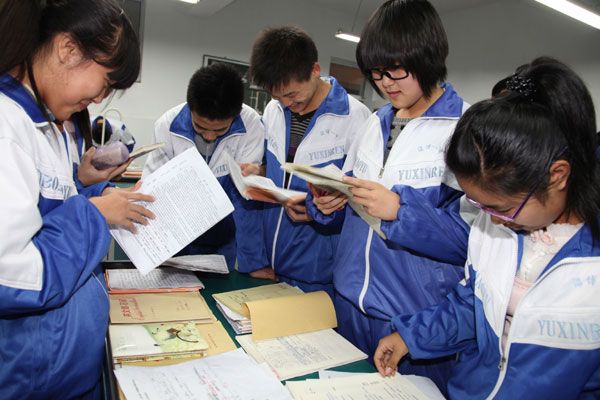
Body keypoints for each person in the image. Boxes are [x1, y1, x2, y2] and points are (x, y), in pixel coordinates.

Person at [375, 57, 600, 399]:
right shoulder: (494, 226)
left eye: (502, 208)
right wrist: (411, 336)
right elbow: (473, 304)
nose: (491, 220)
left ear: (557, 175)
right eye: (479, 204)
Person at [307, 0, 471, 392]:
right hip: (349, 304)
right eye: (376, 72)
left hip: (412, 323)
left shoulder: (466, 129)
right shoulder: (374, 123)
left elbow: (470, 240)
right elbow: (353, 197)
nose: (385, 82)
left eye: (396, 70)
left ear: (427, 57)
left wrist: (400, 211)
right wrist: (329, 204)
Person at [0, 0, 154, 398]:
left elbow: (48, 214)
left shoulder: (50, 126)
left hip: (61, 372)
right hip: (28, 379)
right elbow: (12, 276)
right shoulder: (7, 127)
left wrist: (88, 188)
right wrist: (95, 215)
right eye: (106, 82)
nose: (101, 98)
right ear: (68, 49)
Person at [244, 25, 371, 292]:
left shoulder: (355, 117)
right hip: (271, 260)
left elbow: (362, 200)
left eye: (291, 94)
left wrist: (319, 212)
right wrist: (259, 170)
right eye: (277, 96)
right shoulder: (274, 110)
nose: (286, 103)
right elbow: (278, 168)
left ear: (315, 70)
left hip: (319, 268)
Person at [143, 62, 266, 271]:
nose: (209, 136)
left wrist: (253, 262)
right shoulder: (167, 125)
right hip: (176, 233)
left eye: (220, 130)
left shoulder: (251, 124)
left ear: (235, 115)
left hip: (224, 235)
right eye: (200, 126)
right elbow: (152, 190)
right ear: (190, 107)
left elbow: (246, 198)